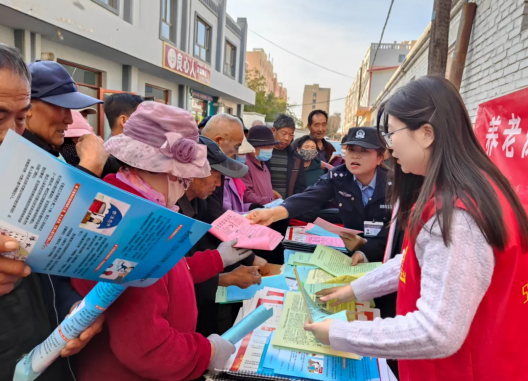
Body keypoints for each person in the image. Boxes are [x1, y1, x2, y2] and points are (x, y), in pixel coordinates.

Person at [304, 76, 528, 381]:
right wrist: (354, 290)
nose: (388, 144)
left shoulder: (458, 214)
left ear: (426, 134)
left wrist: (340, 332)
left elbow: (436, 331)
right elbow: (418, 260)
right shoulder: (461, 189)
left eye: (392, 132)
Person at [71, 102, 253, 381]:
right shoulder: (138, 230)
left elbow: (169, 272)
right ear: (163, 170)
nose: (183, 186)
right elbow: (147, 348)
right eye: (181, 179)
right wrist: (205, 352)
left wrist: (218, 259)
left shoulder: (121, 206)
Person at [0, 44, 103, 381]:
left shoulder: (23, 170)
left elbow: (45, 266)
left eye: (19, 118)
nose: (10, 135)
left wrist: (75, 310)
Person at [248, 126, 392, 264]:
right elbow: (308, 197)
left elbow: (399, 231)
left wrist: (366, 247)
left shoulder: (395, 186)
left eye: (364, 151)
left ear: (380, 157)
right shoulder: (339, 177)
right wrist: (272, 214)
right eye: (351, 149)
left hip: (385, 258)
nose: (355, 155)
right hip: (352, 255)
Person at [178, 135, 265, 337]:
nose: (218, 183)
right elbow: (175, 274)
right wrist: (224, 279)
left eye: (222, 177)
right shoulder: (170, 208)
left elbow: (201, 254)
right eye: (214, 174)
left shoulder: (200, 202)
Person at [24, 60, 109, 177]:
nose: (70, 120)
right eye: (60, 107)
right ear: (27, 106)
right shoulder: (12, 156)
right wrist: (90, 166)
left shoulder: (45, 151)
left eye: (69, 108)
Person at [267, 114, 306, 199]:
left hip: (286, 206)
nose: (287, 138)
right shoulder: (263, 154)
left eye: (291, 135)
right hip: (264, 205)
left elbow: (300, 187)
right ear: (273, 130)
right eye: (284, 134)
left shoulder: (297, 159)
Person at [242, 124, 280, 205]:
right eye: (267, 146)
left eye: (272, 146)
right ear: (253, 147)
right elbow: (246, 195)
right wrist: (271, 200)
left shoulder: (263, 164)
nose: (270, 149)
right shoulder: (244, 165)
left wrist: (271, 193)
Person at [224, 137, 261, 213]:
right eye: (241, 153)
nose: (242, 157)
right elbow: (226, 213)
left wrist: (250, 207)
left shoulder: (235, 176)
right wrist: (251, 213)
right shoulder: (223, 179)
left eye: (244, 154)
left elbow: (237, 206)